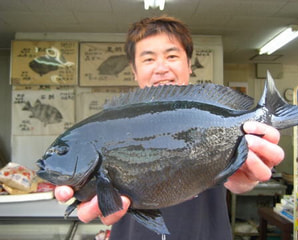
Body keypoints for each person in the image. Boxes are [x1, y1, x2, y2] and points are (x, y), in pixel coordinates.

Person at [55, 16, 284, 239]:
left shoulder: (207, 113)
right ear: (134, 71)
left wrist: (245, 176)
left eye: (172, 55)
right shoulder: (107, 127)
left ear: (189, 65)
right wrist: (85, 192)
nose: (161, 67)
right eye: (148, 59)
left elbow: (237, 180)